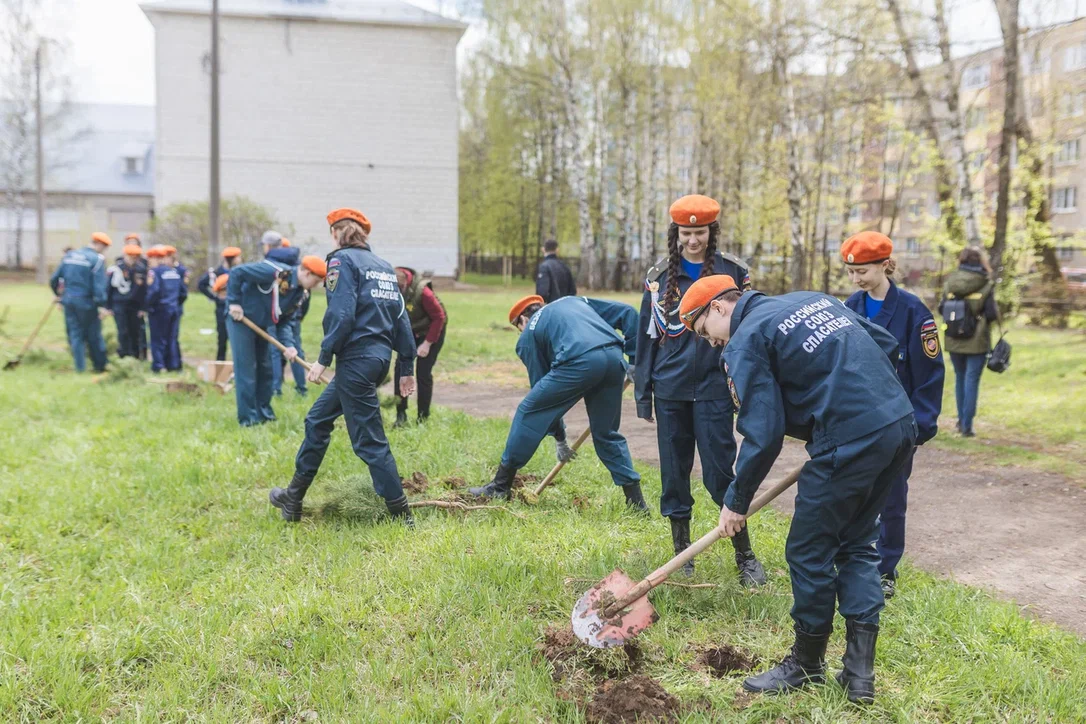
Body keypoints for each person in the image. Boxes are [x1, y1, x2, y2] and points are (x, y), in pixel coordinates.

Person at [679, 274, 917, 705]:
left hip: (850, 438)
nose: (710, 342)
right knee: (856, 543)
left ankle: (806, 664)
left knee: (809, 551)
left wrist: (736, 500)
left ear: (718, 307)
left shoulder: (745, 340)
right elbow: (886, 344)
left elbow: (763, 431)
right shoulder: (813, 299)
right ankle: (859, 676)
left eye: (703, 331)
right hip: (898, 423)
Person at [634, 194, 764, 585]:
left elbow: (750, 329)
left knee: (720, 473)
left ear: (712, 232)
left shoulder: (733, 272)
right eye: (686, 234)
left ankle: (745, 557)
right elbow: (646, 336)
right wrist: (643, 391)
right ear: (676, 234)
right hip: (670, 389)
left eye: (700, 233)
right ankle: (682, 553)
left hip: (715, 388)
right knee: (674, 474)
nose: (693, 240)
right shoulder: (659, 277)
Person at [268, 208, 418, 525]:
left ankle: (402, 516)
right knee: (317, 420)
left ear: (336, 233)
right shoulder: (384, 267)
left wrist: (323, 358)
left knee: (369, 441)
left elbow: (342, 313)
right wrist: (406, 366)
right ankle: (293, 498)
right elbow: (401, 317)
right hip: (377, 361)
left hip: (357, 361)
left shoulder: (340, 261)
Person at [468, 294, 648, 511]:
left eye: (518, 327)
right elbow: (628, 313)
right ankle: (637, 503)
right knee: (606, 433)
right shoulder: (573, 301)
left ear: (523, 319)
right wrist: (635, 360)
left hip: (580, 362)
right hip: (613, 359)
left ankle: (500, 486)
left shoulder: (528, 334)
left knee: (528, 411)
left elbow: (543, 400)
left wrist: (560, 438)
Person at [842, 231, 944, 599]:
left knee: (892, 498)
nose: (856, 279)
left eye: (863, 271)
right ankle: (854, 560)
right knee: (854, 495)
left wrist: (921, 425)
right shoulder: (849, 307)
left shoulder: (914, 312)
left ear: (885, 265)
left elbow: (930, 373)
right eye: (851, 272)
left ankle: (885, 570)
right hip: (857, 422)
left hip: (898, 424)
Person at [225, 255, 318, 425]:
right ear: (306, 273)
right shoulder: (273, 272)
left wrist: (289, 345)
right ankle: (248, 419)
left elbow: (284, 321)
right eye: (316, 280)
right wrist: (234, 302)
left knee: (266, 369)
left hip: (262, 324)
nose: (316, 285)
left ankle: (264, 413)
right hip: (241, 319)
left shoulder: (298, 293)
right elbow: (237, 272)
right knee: (246, 368)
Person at [939, 247, 998, 437]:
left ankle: (960, 421)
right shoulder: (986, 283)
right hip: (977, 340)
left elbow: (941, 308)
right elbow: (991, 314)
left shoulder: (950, 281)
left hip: (953, 337)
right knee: (971, 380)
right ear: (980, 261)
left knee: (960, 377)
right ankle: (967, 426)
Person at [393, 266, 447, 427]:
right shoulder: (390, 288)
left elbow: (439, 317)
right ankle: (401, 415)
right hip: (410, 331)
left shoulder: (423, 292)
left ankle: (422, 417)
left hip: (431, 330)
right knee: (400, 370)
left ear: (404, 284)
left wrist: (427, 344)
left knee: (423, 372)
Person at [50, 232, 111, 373]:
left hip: (69, 301)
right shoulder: (96, 259)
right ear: (99, 244)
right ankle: (100, 366)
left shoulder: (70, 256)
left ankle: (80, 368)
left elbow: (54, 279)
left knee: (75, 334)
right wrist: (101, 305)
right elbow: (99, 286)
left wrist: (58, 295)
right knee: (94, 334)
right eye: (104, 248)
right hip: (87, 302)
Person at [263, 240, 308, 396]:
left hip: (277, 314)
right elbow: (306, 299)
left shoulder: (280, 269)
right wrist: (300, 316)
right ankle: (302, 388)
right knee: (296, 349)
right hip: (294, 314)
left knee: (275, 351)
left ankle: (276, 388)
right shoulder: (299, 267)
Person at [144, 246, 186, 373]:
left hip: (159, 310)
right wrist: (175, 304)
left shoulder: (155, 272)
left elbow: (154, 291)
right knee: (171, 338)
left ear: (156, 258)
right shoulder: (174, 272)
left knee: (157, 339)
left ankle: (159, 365)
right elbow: (183, 293)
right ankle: (173, 365)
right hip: (174, 309)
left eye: (150, 259)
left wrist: (148, 306)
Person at [197, 247, 243, 361]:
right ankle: (220, 362)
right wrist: (214, 298)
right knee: (222, 337)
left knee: (238, 338)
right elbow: (201, 285)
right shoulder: (216, 273)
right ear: (231, 259)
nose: (240, 260)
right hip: (221, 308)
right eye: (238, 258)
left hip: (237, 308)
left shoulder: (240, 271)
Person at [106, 244, 148, 359]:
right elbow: (109, 288)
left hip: (135, 305)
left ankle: (135, 355)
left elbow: (144, 290)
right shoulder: (116, 269)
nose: (133, 259)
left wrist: (143, 308)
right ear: (125, 255)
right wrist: (108, 306)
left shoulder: (141, 269)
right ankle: (124, 355)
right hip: (119, 304)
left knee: (135, 331)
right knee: (123, 331)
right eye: (130, 256)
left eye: (135, 257)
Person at [123, 233, 149, 359]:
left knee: (140, 330)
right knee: (125, 330)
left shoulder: (143, 263)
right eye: (129, 242)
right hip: (124, 301)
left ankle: (142, 355)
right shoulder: (121, 262)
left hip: (138, 302)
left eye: (134, 242)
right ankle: (128, 355)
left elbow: (145, 287)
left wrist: (144, 306)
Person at [535, 239, 577, 303]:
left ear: (543, 249)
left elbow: (542, 292)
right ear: (557, 250)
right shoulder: (564, 266)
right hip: (565, 305)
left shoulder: (544, 267)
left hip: (551, 306)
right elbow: (572, 291)